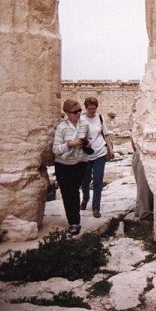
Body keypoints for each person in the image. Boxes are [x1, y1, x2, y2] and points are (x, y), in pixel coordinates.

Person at [52, 99, 90, 235]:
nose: (79, 113)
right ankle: (74, 221)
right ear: (67, 113)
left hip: (80, 163)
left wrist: (87, 144)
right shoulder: (61, 127)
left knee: (74, 191)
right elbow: (56, 149)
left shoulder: (85, 125)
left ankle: (75, 222)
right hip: (63, 165)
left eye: (80, 110)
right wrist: (70, 144)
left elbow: (89, 140)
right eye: (75, 112)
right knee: (67, 193)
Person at [80, 97, 114, 218]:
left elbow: (106, 134)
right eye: (90, 109)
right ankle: (85, 198)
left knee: (98, 182)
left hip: (100, 153)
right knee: (85, 181)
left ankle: (96, 208)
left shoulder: (100, 118)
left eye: (94, 108)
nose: (92, 111)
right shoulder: (81, 119)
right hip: (85, 155)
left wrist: (110, 149)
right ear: (86, 108)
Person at [131, 137, 153, 220]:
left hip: (139, 153)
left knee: (142, 185)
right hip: (141, 154)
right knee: (143, 185)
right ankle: (144, 213)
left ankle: (140, 209)